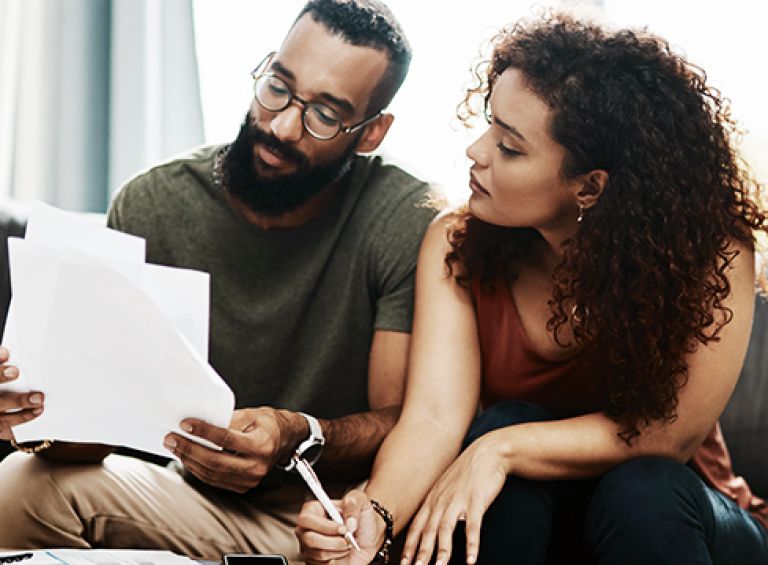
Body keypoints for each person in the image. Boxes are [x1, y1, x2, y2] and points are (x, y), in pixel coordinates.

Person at [295, 12, 768, 565]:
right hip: (538, 527)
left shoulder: (713, 252)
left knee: (636, 486)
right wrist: (371, 519)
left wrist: (500, 449)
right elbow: (433, 418)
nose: (476, 151)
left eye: (510, 148)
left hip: (679, 520)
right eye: (489, 125)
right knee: (501, 433)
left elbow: (668, 437)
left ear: (590, 187)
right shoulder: (456, 242)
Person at [0, 0, 437, 562]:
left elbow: (401, 420)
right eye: (277, 85)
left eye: (325, 115)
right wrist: (37, 412)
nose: (280, 125)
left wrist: (293, 436)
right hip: (186, 498)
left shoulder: (404, 218)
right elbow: (92, 437)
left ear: (370, 132)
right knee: (19, 486)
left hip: (328, 518)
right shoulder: (154, 203)